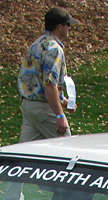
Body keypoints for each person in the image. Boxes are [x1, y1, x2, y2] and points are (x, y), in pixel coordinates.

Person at [16, 7, 77, 142]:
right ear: (60, 27)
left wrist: (63, 101)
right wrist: (59, 115)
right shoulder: (54, 49)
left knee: (26, 152)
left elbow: (37, 80)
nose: (70, 28)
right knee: (66, 146)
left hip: (28, 106)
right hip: (43, 109)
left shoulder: (37, 44)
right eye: (68, 25)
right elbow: (49, 85)